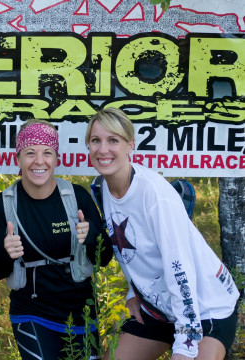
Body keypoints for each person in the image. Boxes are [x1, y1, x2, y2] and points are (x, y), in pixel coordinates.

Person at [85, 108, 240, 360]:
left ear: (130, 145)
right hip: (159, 309)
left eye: (113, 140)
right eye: (96, 140)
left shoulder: (154, 193)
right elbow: (130, 248)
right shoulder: (101, 188)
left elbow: (180, 268)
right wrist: (133, 293)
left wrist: (185, 342)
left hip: (204, 308)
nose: (103, 149)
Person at [0, 120, 113, 360]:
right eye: (30, 153)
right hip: (31, 313)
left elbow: (105, 259)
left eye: (47, 153)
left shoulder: (77, 197)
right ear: (18, 159)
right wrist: (5, 252)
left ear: (56, 158)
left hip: (81, 312)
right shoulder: (6, 203)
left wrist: (92, 237)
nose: (39, 161)